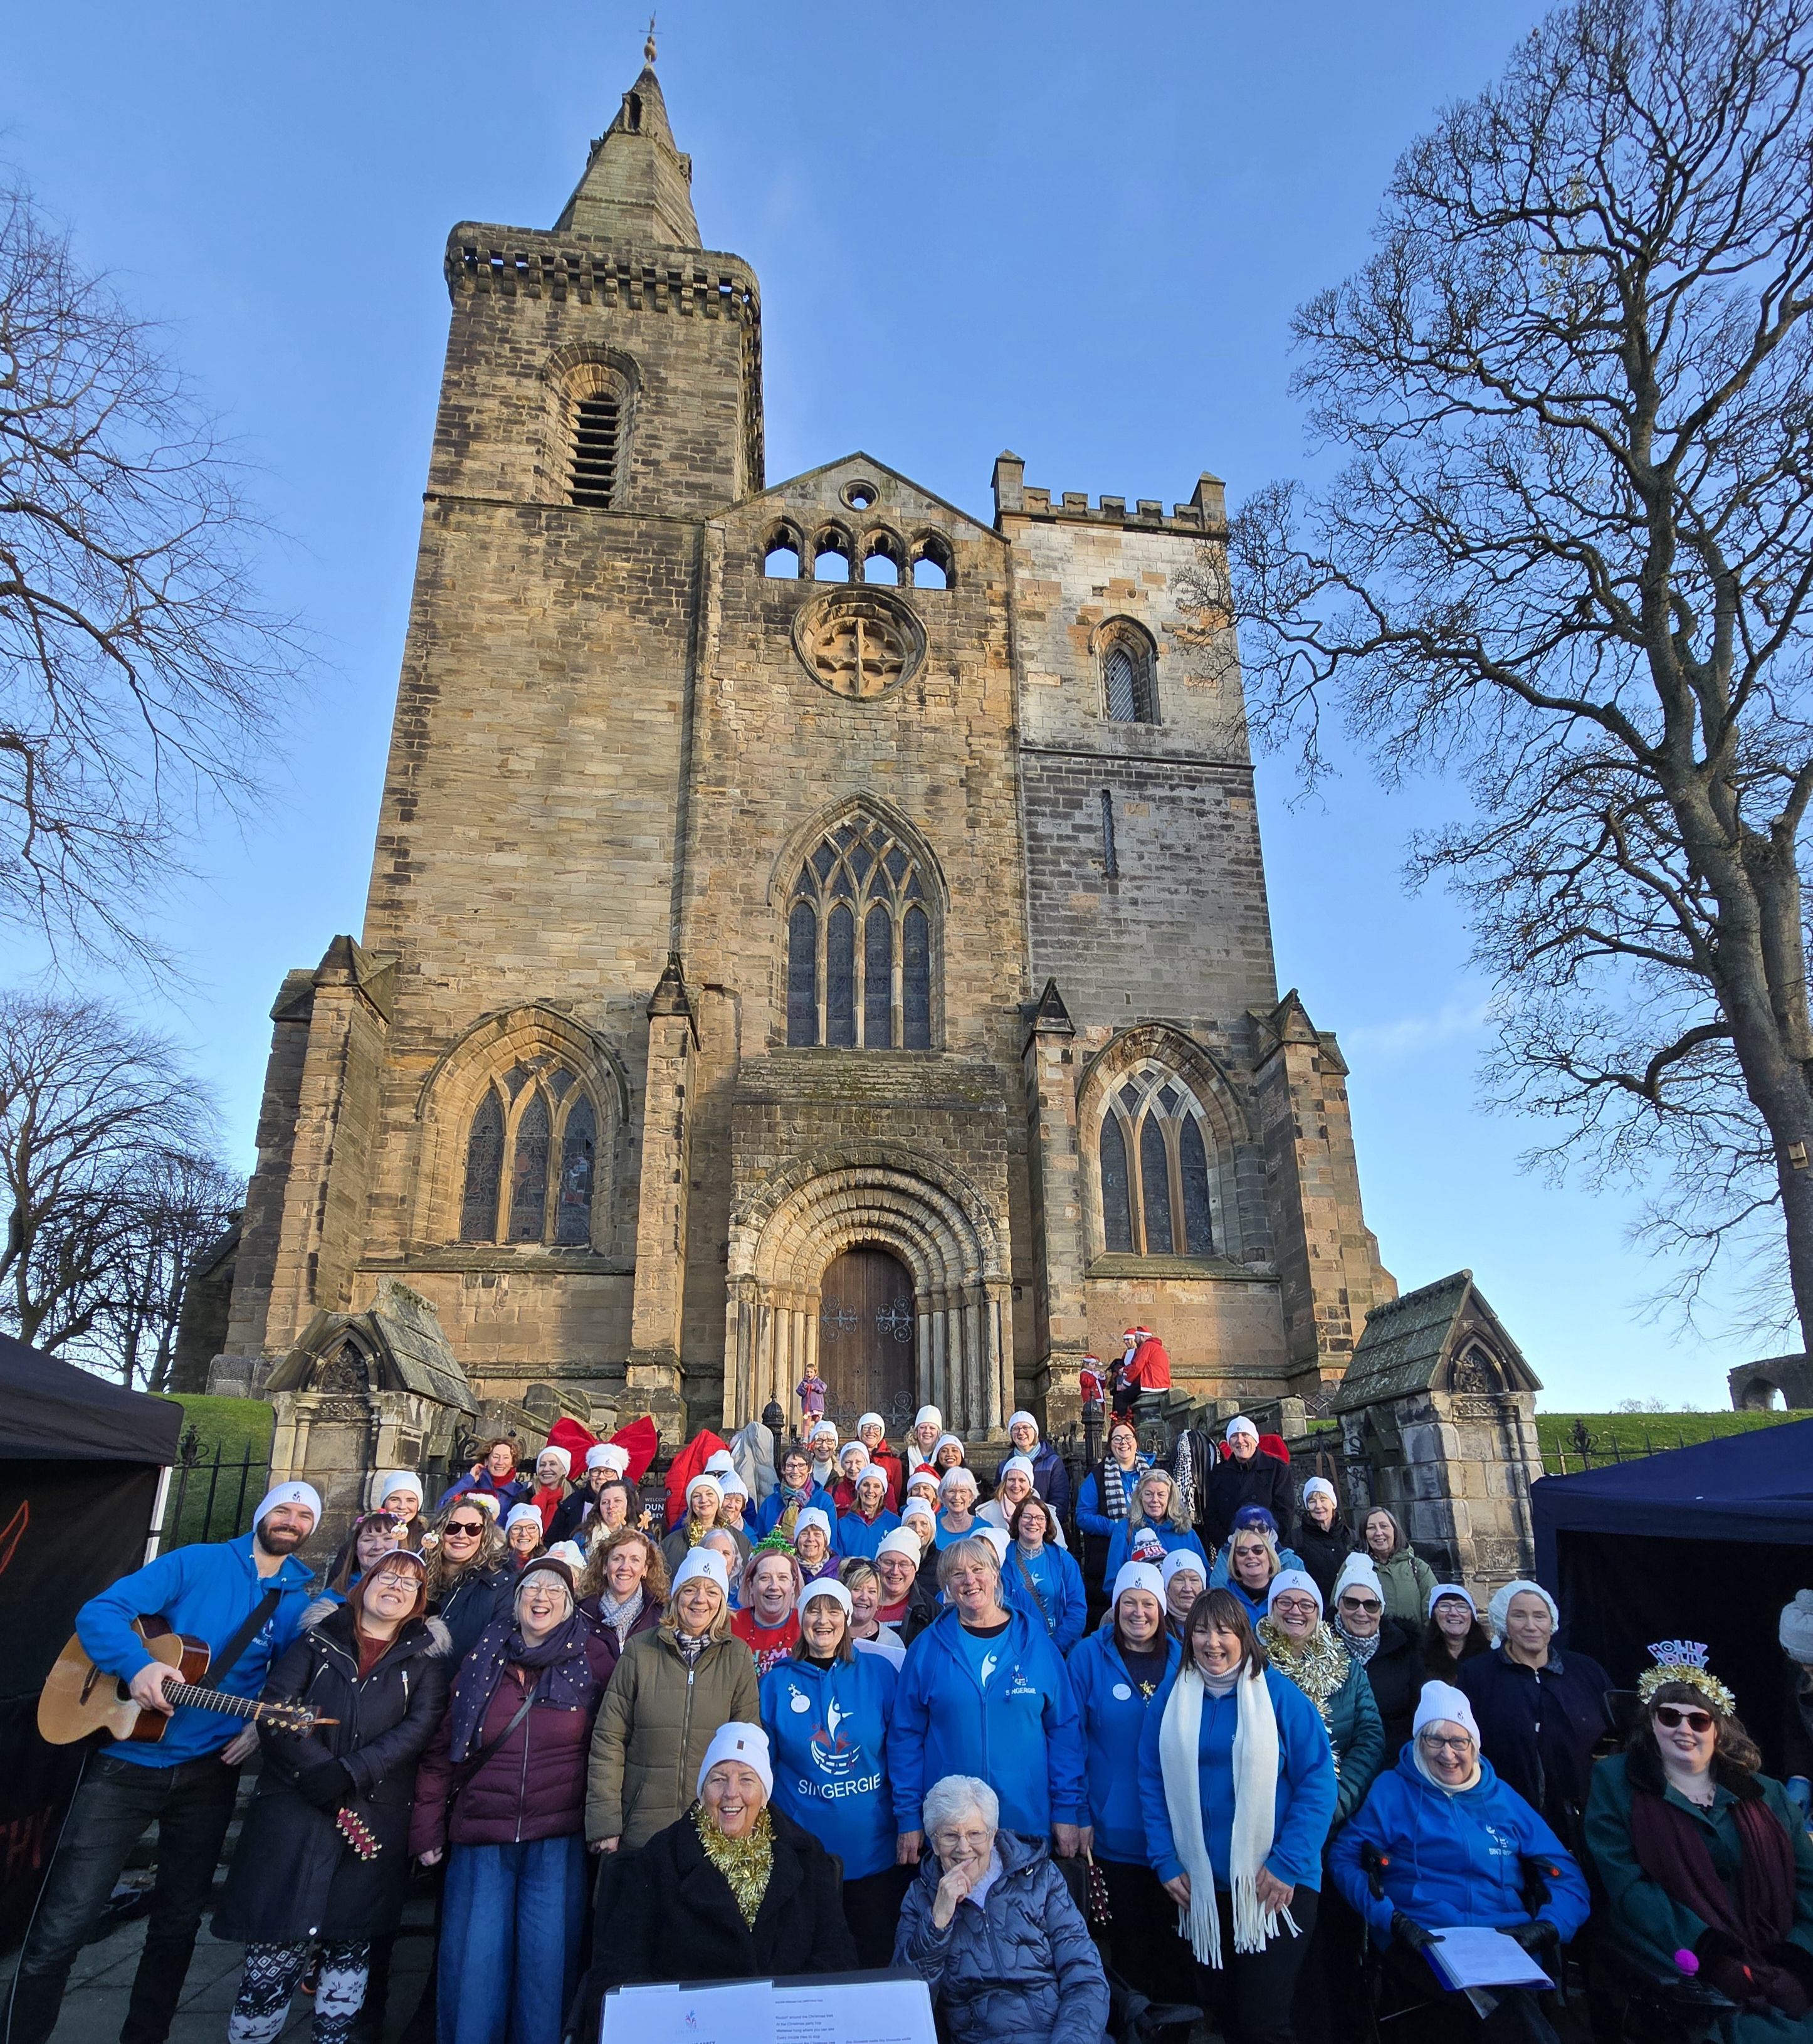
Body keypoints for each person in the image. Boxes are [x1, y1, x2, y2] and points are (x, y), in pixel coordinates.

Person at [7, 1482, 321, 2044]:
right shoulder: (195, 1562)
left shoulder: (298, 1600)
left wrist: (257, 1724)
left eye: (304, 1515)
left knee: (176, 1924)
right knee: (63, 1924)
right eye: (284, 1508)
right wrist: (136, 1666)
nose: (292, 1521)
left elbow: (288, 1679)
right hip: (124, 1764)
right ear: (261, 1514)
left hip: (207, 1774)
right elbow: (102, 1611)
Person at [216, 1550, 448, 2044]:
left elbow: (418, 1729)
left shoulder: (424, 1664)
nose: (396, 1588)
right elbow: (276, 1708)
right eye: (388, 1577)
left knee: (349, 1956)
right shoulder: (314, 1642)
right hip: (295, 1810)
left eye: (409, 1584)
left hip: (370, 1812)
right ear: (365, 1585)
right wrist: (318, 1770)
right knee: (272, 1956)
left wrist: (350, 1772)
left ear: (419, 1601)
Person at [407, 1556, 605, 2044]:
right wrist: (427, 1827)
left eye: (554, 1592)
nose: (542, 1598)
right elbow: (441, 1750)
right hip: (482, 1834)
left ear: (570, 1604)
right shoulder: (484, 1656)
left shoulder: (595, 1656)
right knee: (474, 1967)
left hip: (555, 1835)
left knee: (547, 1969)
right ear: (516, 1601)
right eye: (531, 1590)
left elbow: (609, 1745)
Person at [1332, 1683, 1589, 2044]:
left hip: (1506, 1939)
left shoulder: (1503, 1799)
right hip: (1422, 1936)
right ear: (1419, 1742)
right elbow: (1345, 1858)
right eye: (1435, 1740)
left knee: (1494, 2001)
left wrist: (1547, 1927)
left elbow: (1567, 1876)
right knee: (1506, 2009)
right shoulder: (1393, 1791)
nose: (1448, 1754)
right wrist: (1390, 1917)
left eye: (1459, 1742)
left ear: (1475, 1746)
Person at [1584, 1642, 1813, 2041]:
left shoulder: (1767, 1794)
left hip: (1779, 1952)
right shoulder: (1618, 1783)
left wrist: (1798, 1956)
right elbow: (1629, 1887)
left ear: (1718, 1728)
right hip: (1682, 1954)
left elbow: (1808, 1884)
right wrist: (1709, 1950)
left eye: (1698, 1720)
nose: (1683, 1729)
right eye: (1669, 1716)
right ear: (1651, 1723)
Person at [1139, 1586, 1338, 2044]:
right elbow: (1151, 1778)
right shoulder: (1173, 1696)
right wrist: (1166, 1859)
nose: (1213, 1643)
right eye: (1202, 1631)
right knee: (1226, 2011)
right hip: (1206, 1885)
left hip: (1275, 1882)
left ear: (1244, 1638)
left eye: (1225, 1631)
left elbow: (1318, 1780)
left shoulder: (1278, 1696)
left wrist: (1288, 1861)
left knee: (1264, 2019)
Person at [581, 1722, 856, 1999]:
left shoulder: (806, 1856)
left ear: (764, 1795)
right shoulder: (660, 1857)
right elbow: (617, 1968)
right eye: (718, 1779)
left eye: (747, 1779)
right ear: (702, 1793)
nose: (731, 1793)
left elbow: (837, 1957)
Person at [891, 1536, 1088, 1858]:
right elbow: (905, 1737)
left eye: (978, 1569)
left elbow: (1065, 1730)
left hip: (1025, 1822)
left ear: (996, 1575)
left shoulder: (1037, 1645)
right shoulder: (926, 1649)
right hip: (953, 1832)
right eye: (957, 1574)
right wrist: (909, 1815)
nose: (970, 1580)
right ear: (946, 1586)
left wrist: (1068, 1809)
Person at [894, 1773, 1110, 2044]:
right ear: (934, 1844)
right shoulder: (920, 1897)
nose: (964, 1848)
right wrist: (937, 1921)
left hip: (1059, 2034)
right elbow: (903, 2002)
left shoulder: (1041, 1877)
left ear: (993, 1834)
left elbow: (1086, 1977)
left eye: (975, 1834)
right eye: (950, 1835)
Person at [1068, 1564, 1192, 2028]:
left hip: (1178, 1833)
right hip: (1114, 1830)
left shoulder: (1184, 1659)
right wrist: (1076, 1810)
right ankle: (1135, 2025)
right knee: (1129, 1942)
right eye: (1129, 1603)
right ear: (1115, 1607)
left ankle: (1180, 2023)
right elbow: (1069, 1739)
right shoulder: (1086, 1658)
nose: (1138, 1613)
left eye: (1147, 1604)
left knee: (1175, 1943)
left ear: (1161, 1610)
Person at [759, 1579, 905, 1966]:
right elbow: (763, 1770)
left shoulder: (880, 1674)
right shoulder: (775, 1685)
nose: (822, 1621)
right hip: (803, 1855)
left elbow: (903, 1755)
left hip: (873, 1853)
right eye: (812, 1610)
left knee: (871, 1964)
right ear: (800, 1617)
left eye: (832, 1611)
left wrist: (909, 1821)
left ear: (846, 1617)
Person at [587, 1547, 761, 1852]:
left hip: (712, 1828)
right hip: (642, 1829)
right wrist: (606, 1823)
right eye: (691, 1589)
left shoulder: (737, 1655)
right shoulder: (640, 1650)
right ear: (677, 1595)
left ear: (722, 1600)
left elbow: (747, 1748)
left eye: (711, 1591)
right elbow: (609, 1740)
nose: (700, 1600)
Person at [1457, 1578, 1610, 1848]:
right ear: (1504, 1622)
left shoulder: (1585, 1671)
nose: (1531, 1626)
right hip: (1505, 1814)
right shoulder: (1477, 1675)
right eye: (1519, 1616)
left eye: (1540, 1616)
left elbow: (1614, 1737)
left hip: (1584, 1818)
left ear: (1551, 1623)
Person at [1259, 1571, 1385, 1826]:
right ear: (1271, 1608)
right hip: (1267, 1815)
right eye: (1285, 1602)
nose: (1296, 1611)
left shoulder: (1348, 1670)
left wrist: (1333, 1804)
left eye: (1306, 1604)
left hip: (1335, 1814)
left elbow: (1369, 1740)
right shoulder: (1252, 1667)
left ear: (1317, 1612)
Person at [1330, 1554, 1422, 1761]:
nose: (1361, 1612)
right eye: (1352, 1603)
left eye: (1370, 1605)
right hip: (1336, 1762)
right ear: (1339, 1605)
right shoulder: (1320, 1649)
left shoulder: (1405, 1649)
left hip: (1395, 1761)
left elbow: (1417, 1713)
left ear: (1380, 1610)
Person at [422, 1500, 515, 1665]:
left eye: (473, 1529)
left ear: (484, 1536)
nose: (462, 1535)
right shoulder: (416, 1573)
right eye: (452, 1527)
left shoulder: (500, 1584)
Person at [576, 1525, 666, 1685]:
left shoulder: (661, 1618)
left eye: (635, 1560)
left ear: (645, 1569)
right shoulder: (581, 1616)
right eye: (617, 1558)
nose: (625, 1567)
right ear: (605, 1567)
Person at [999, 1492, 1086, 1654]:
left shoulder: (1064, 1561)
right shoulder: (1002, 1559)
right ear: (1017, 1521)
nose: (1033, 1522)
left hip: (1060, 1649)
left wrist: (1055, 1646)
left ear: (1047, 1525)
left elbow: (1078, 1608)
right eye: (1027, 1517)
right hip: (1016, 1650)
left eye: (1040, 1518)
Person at [1078, 1416, 1153, 1599]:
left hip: (1150, 1545)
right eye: (1117, 1438)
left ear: (1136, 1442)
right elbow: (1082, 1516)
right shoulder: (1098, 1476)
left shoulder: (1152, 1473)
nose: (1123, 1442)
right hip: (1110, 1552)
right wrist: (1117, 1528)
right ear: (1110, 1445)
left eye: (1128, 1437)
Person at [1202, 1416, 1295, 1551]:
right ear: (1229, 1442)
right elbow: (1211, 1515)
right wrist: (1226, 1544)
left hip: (1270, 1549)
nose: (1240, 1441)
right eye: (1234, 1436)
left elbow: (1285, 1513)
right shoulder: (1218, 1473)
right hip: (1233, 1550)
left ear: (1255, 1439)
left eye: (1245, 1435)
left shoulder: (1277, 1469)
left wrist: (1268, 1543)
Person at [1105, 1467, 1209, 1583]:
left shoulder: (1186, 1533)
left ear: (1170, 1498)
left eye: (1161, 1494)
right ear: (1140, 1497)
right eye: (1149, 1494)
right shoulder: (1125, 1529)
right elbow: (1113, 1581)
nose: (1155, 1500)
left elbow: (1204, 1577)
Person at [305, 1508, 406, 1623]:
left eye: (388, 1538)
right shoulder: (330, 1599)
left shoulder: (411, 1598)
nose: (377, 1546)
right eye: (368, 1540)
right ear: (356, 1550)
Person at [1357, 1507, 1436, 1626]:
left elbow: (1432, 1611)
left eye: (1384, 1526)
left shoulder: (1418, 1568)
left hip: (1413, 1643)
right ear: (1365, 1534)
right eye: (1371, 1528)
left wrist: (1425, 1643)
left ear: (1394, 1530)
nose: (1379, 1533)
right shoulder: (1355, 1567)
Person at [733, 1541, 805, 1672]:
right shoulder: (730, 1624)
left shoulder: (806, 1625)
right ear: (751, 1585)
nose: (774, 1586)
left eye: (783, 1578)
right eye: (765, 1578)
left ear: (793, 1585)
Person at [979, 1453, 1070, 1549]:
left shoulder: (1046, 1512)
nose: (1016, 1486)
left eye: (1022, 1480)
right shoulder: (985, 1514)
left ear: (1030, 1485)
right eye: (1011, 1480)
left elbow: (1060, 1550)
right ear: (1004, 1483)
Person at [546, 1441, 629, 1546]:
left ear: (618, 1476)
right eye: (596, 1471)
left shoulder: (632, 1507)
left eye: (608, 1471)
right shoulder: (570, 1505)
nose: (601, 1476)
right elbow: (551, 1542)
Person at [1006, 1408, 1073, 1525]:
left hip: (1044, 1529)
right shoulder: (1005, 1466)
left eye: (1026, 1428)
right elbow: (1001, 1500)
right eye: (1015, 1429)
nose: (1021, 1433)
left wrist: (1043, 1526)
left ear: (1035, 1431)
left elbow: (1059, 1501)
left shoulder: (1053, 1463)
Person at [1294, 1479, 1354, 1607]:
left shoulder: (1352, 1537)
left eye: (1323, 1500)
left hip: (1351, 1610)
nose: (1318, 1506)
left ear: (1333, 1503)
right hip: (1316, 1611)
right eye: (1312, 1502)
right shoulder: (1296, 1540)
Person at [755, 1443, 834, 1540]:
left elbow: (832, 1542)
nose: (795, 1471)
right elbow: (760, 1538)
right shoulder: (770, 1502)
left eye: (801, 1466)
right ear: (783, 1470)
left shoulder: (824, 1501)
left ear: (810, 1469)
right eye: (790, 1466)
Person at [875, 1527, 939, 1642]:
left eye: (903, 1565)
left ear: (915, 1569)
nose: (895, 1571)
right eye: (888, 1563)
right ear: (877, 1563)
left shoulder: (930, 1611)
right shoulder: (860, 1602)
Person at [840, 1556, 906, 1667]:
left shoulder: (892, 1642)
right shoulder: (828, 1634)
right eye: (857, 1589)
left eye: (872, 1591)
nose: (864, 1597)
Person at [434, 1437, 525, 1513]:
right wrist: (469, 1479)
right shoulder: (471, 1487)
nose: (500, 1462)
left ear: (512, 1463)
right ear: (486, 1460)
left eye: (506, 1458)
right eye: (496, 1457)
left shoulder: (519, 1492)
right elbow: (443, 1508)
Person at [1423, 1584, 1490, 1687]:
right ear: (1434, 1615)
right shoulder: (1419, 1658)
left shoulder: (1489, 1656)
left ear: (1471, 1616)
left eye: (1461, 1607)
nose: (1453, 1613)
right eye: (1445, 1606)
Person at [1222, 1525, 1283, 1625]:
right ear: (1235, 1563)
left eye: (1258, 1550)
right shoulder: (1222, 1601)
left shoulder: (1286, 1598)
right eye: (1242, 1552)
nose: (1250, 1556)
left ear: (1270, 1557)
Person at [836, 1464, 900, 1557]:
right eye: (866, 1485)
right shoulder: (842, 1525)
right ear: (858, 1489)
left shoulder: (895, 1524)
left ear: (883, 1491)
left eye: (876, 1486)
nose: (870, 1490)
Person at [854, 1411, 905, 1510]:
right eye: (866, 1427)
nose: (871, 1431)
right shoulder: (849, 1458)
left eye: (876, 1428)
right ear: (860, 1430)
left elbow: (896, 1496)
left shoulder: (894, 1462)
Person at [1164, 1551, 1207, 1640]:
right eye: (1179, 1580)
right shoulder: (1156, 1625)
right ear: (1167, 1587)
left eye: (1194, 1580)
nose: (1187, 1588)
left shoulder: (1214, 1620)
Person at [935, 1465, 982, 1546]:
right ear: (943, 1495)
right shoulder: (932, 1526)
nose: (957, 1497)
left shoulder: (983, 1528)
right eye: (951, 1491)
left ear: (971, 1495)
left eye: (963, 1492)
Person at [831, 1439, 872, 1510]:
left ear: (866, 1464)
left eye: (858, 1462)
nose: (853, 1468)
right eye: (848, 1462)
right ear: (842, 1465)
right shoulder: (832, 1493)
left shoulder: (879, 1491)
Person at [503, 1502, 544, 1569]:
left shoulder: (547, 1564)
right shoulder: (493, 1565)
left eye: (531, 1528)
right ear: (508, 1534)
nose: (524, 1534)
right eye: (517, 1528)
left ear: (539, 1534)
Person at [906, 1404, 945, 1475]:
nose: (927, 1431)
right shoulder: (904, 1460)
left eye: (932, 1428)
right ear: (916, 1431)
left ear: (939, 1433)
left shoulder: (944, 1459)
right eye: (922, 1427)